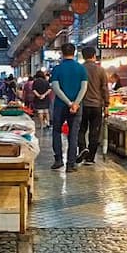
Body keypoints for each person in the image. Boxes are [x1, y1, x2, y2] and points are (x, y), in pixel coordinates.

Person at [49, 43, 88, 172]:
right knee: (73, 134)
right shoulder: (81, 69)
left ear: (61, 53)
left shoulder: (57, 69)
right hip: (77, 106)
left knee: (56, 131)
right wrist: (75, 103)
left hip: (60, 105)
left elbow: (55, 87)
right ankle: (71, 164)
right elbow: (84, 88)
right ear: (75, 52)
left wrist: (68, 102)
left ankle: (58, 160)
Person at [76, 47, 109, 165]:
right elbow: (104, 88)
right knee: (95, 131)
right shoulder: (100, 70)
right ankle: (90, 158)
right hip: (96, 105)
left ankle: (83, 148)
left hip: (82, 105)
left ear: (83, 56)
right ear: (94, 55)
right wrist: (107, 105)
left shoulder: (79, 69)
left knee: (81, 129)